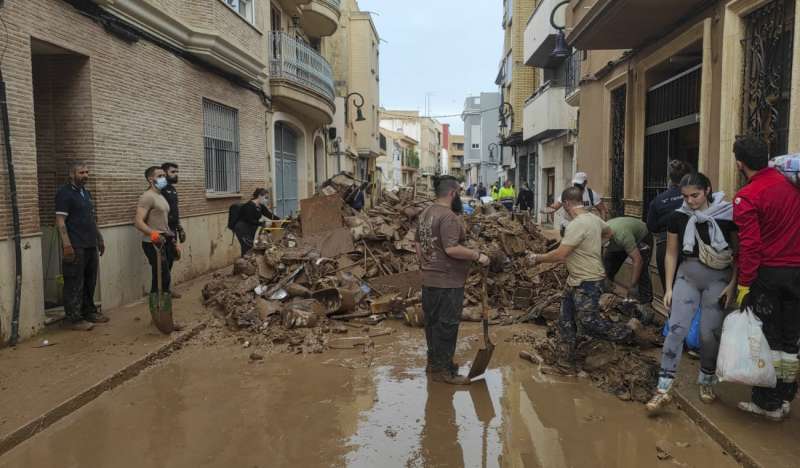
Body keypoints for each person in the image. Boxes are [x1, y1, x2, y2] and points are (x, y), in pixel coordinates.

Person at [646, 172, 738, 413]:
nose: (690, 201)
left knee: (709, 336)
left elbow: (739, 253)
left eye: (695, 195)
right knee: (675, 332)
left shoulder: (727, 215)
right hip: (686, 276)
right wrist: (669, 287)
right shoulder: (678, 217)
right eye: (686, 196)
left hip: (718, 280)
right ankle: (663, 388)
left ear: (707, 190)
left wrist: (734, 283)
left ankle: (706, 381)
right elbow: (671, 252)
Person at [732, 136, 800, 421]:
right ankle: (786, 396)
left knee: (767, 339)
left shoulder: (747, 197)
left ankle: (767, 403)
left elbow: (750, 246)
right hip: (796, 274)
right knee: (790, 339)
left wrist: (744, 284)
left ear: (739, 163)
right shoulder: (791, 186)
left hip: (768, 276)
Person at [529, 187, 634, 369]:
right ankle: (565, 358)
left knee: (589, 321)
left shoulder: (576, 225)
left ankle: (627, 333)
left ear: (567, 204)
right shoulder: (594, 219)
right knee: (565, 318)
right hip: (575, 280)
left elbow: (560, 255)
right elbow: (609, 233)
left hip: (588, 281)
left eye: (562, 205)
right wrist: (593, 245)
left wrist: (536, 258)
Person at [416, 176, 490, 385]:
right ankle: (443, 372)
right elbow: (451, 248)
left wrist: (427, 264)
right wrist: (477, 255)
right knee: (447, 326)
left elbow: (418, 246)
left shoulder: (425, 213)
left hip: (429, 279)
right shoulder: (448, 217)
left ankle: (435, 364)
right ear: (452, 193)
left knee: (432, 324)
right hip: (447, 282)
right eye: (458, 192)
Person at [55, 161, 109, 330]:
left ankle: (89, 312)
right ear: (72, 174)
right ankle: (74, 319)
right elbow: (60, 220)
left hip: (90, 243)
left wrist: (99, 239)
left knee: (90, 281)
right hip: (75, 244)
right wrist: (67, 245)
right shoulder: (64, 193)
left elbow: (91, 218)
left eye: (87, 172)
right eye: (81, 173)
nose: (86, 175)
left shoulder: (86, 193)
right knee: (74, 282)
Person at [134, 166, 179, 301]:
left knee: (164, 276)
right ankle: (157, 307)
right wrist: (154, 235)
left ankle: (163, 309)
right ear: (150, 179)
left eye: (164, 176)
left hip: (165, 239)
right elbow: (138, 222)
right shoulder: (147, 197)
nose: (163, 179)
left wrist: (173, 240)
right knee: (161, 275)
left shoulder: (160, 196)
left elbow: (163, 222)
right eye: (160, 176)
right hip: (152, 242)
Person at [647, 160, 693, 290]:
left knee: (670, 291)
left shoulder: (658, 200)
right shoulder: (693, 197)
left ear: (669, 178)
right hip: (689, 246)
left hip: (665, 245)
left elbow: (651, 226)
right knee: (690, 291)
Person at [604, 217, 654, 309]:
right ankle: (605, 293)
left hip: (642, 236)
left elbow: (638, 261)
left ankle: (646, 303)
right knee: (608, 265)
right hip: (621, 235)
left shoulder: (622, 236)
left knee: (641, 270)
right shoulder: (599, 231)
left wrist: (632, 285)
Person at [545, 172, 609, 237]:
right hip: (568, 225)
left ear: (585, 183)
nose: (576, 186)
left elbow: (602, 210)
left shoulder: (591, 195)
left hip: (584, 227)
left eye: (579, 184)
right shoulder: (568, 193)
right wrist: (544, 210)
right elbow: (554, 207)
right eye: (575, 183)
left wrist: (603, 226)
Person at [234, 188, 280, 256]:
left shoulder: (260, 206)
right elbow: (250, 220)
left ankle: (249, 263)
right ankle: (243, 264)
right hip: (242, 229)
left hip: (251, 228)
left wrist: (280, 220)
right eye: (266, 197)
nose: (267, 200)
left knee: (254, 246)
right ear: (259, 196)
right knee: (247, 248)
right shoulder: (248, 206)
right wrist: (262, 223)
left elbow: (269, 215)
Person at [160, 162, 183, 298]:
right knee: (164, 261)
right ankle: (162, 292)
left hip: (173, 229)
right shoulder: (160, 189)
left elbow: (174, 211)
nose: (176, 174)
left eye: (176, 172)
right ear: (164, 173)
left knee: (171, 259)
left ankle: (166, 289)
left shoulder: (172, 189)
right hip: (164, 230)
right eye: (173, 172)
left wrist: (179, 227)